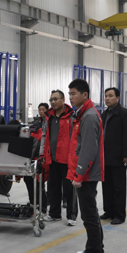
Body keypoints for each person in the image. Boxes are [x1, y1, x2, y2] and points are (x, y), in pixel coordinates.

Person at [67, 78, 105, 253]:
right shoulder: (83, 114)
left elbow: (88, 149)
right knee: (91, 213)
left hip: (87, 174)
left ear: (85, 95)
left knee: (89, 215)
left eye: (73, 94)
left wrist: (79, 175)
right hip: (85, 172)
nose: (70, 97)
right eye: (70, 94)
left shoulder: (89, 116)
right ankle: (98, 249)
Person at [42, 90, 78, 226]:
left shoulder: (72, 116)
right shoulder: (49, 117)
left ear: (63, 100)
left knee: (70, 189)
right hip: (52, 159)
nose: (53, 102)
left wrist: (75, 156)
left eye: (56, 99)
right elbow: (44, 136)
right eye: (51, 99)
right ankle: (54, 214)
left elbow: (76, 137)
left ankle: (71, 216)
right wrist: (42, 153)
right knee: (53, 188)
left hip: (67, 160)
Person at [100, 87, 127, 225]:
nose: (107, 98)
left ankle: (119, 215)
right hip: (105, 156)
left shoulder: (125, 114)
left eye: (110, 96)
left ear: (118, 98)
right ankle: (109, 211)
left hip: (118, 157)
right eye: (106, 96)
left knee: (118, 187)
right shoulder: (105, 114)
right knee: (106, 185)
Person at [24, 103, 48, 209]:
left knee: (40, 184)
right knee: (29, 180)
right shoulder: (35, 124)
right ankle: (33, 202)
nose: (41, 111)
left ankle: (43, 206)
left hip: (42, 157)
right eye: (40, 109)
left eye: (43, 109)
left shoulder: (49, 122)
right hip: (32, 158)